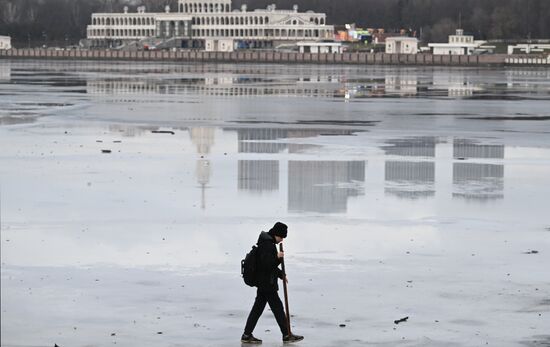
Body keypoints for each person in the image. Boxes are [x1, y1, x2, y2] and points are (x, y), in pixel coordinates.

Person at [241, 222, 304, 344]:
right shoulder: (267, 245)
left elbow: (268, 264)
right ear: (276, 234)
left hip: (264, 282)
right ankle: (287, 334)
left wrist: (281, 275)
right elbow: (267, 265)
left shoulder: (266, 242)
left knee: (258, 309)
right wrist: (279, 258)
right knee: (278, 308)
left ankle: (246, 334)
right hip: (267, 284)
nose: (281, 241)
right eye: (281, 237)